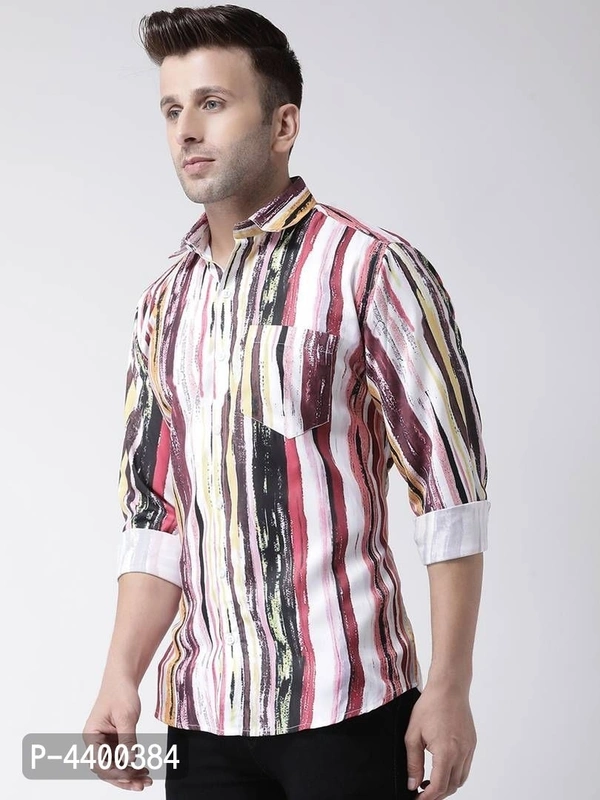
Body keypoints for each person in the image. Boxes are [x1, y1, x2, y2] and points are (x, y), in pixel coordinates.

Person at [83, 5, 491, 799]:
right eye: (171, 109)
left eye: (212, 103)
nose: (186, 130)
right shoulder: (162, 304)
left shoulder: (369, 268)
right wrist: (120, 676)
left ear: (283, 125)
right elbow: (156, 518)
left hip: (348, 704)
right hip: (203, 716)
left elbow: (450, 494)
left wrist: (449, 686)